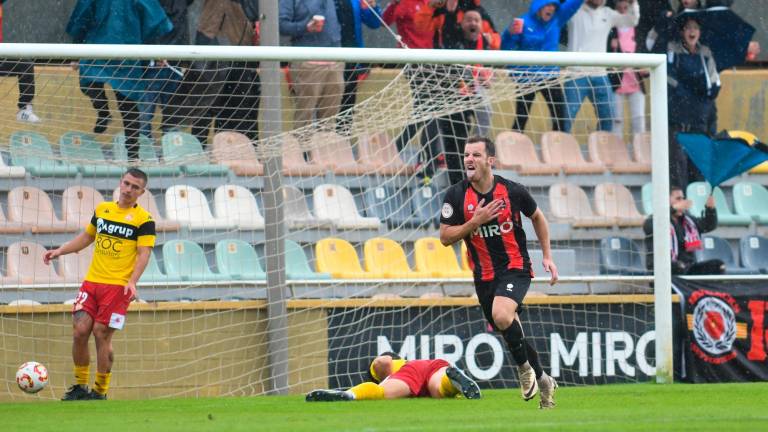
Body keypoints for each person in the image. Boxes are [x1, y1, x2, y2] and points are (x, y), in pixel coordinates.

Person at [439, 136, 560, 409]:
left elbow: (538, 217)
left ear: (490, 161)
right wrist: (475, 221)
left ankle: (524, 370)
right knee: (510, 328)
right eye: (467, 154)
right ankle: (544, 381)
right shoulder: (456, 195)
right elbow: (445, 237)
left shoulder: (512, 191)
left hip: (515, 267)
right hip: (483, 276)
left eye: (476, 155)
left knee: (502, 315)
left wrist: (548, 257)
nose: (469, 159)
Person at [44, 169, 156, 400]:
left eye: (135, 187)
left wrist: (133, 281)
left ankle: (100, 391)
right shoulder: (103, 210)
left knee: (101, 333)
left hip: (118, 287)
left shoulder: (144, 220)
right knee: (79, 331)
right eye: (126, 183)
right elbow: (86, 237)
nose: (128, 189)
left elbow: (144, 253)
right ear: (120, 182)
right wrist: (60, 251)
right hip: (92, 283)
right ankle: (79, 387)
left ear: (141, 192)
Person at [66, 0, 172, 162]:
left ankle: (133, 155)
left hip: (126, 50)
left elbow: (152, 20)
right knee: (91, 85)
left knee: (127, 105)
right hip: (99, 48)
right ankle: (103, 111)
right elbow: (82, 17)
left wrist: (155, 50)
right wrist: (75, 50)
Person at [501, 0, 583, 133]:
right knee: (521, 119)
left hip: (549, 76)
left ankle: (557, 147)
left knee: (560, 116)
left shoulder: (557, 18)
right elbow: (506, 49)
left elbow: (574, 3)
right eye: (547, 5)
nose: (551, 8)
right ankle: (512, 147)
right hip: (527, 78)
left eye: (553, 6)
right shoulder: (522, 22)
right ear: (538, 7)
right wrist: (509, 34)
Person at [436, 7, 493, 185]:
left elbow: (488, 70)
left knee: (487, 111)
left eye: (476, 20)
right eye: (469, 20)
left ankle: (477, 148)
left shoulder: (483, 41)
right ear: (461, 24)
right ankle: (436, 159)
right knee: (448, 135)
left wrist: (486, 77)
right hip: (449, 96)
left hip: (471, 93)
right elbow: (447, 29)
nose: (473, 23)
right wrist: (451, 10)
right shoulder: (453, 37)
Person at [563, 0, 639, 133]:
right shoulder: (573, 11)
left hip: (600, 74)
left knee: (608, 116)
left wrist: (633, 3)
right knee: (567, 118)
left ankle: (602, 148)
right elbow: (559, 12)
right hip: (575, 74)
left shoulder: (608, 13)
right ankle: (560, 151)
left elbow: (631, 21)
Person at [666, 16, 720, 189]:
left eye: (695, 28)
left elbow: (713, 80)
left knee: (698, 168)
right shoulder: (672, 48)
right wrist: (682, 89)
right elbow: (668, 75)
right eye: (688, 28)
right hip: (678, 119)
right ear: (682, 31)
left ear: (700, 32)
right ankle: (680, 206)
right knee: (678, 167)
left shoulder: (706, 52)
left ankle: (698, 208)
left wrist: (710, 91)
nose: (692, 31)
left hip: (699, 119)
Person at [305, 352, 481, 401]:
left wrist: (385, 377)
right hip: (437, 365)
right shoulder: (408, 363)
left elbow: (383, 361)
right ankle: (452, 379)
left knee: (381, 392)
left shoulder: (398, 368)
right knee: (438, 389)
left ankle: (350, 394)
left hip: (411, 372)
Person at [279, 0, 344, 131]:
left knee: (329, 118)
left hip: (335, 59)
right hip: (307, 62)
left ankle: (325, 150)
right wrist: (306, 27)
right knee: (304, 116)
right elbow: (281, 25)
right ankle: (303, 151)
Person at [643, 186, 723, 275]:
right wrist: (672, 209)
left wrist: (710, 209)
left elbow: (709, 225)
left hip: (688, 268)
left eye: (683, 199)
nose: (682, 202)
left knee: (718, 265)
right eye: (678, 199)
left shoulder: (688, 221)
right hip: (664, 270)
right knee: (678, 267)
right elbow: (649, 226)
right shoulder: (655, 220)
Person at [334, 0, 382, 135]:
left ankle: (343, 142)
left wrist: (371, 7)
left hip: (351, 58)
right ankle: (313, 149)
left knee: (347, 104)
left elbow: (374, 23)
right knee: (326, 105)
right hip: (328, 57)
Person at [608, 0, 646, 136]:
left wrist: (643, 68)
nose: (623, 9)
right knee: (616, 120)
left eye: (626, 7)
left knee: (639, 119)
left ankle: (639, 153)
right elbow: (606, 55)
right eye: (620, 7)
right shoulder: (610, 30)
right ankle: (616, 153)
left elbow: (644, 53)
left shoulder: (638, 30)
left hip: (636, 81)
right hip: (616, 81)